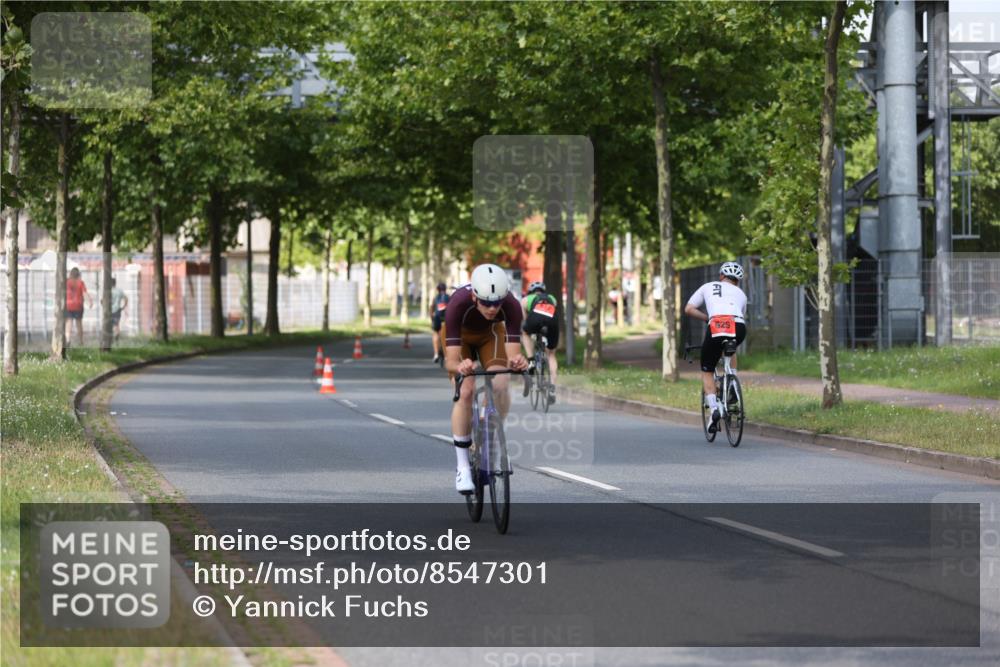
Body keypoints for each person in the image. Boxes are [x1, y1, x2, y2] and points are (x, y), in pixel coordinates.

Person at [442, 263, 528, 493]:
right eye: (486, 303)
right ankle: (462, 468)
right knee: (467, 390)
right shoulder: (457, 304)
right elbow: (449, 362)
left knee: (501, 381)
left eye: (497, 302)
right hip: (460, 339)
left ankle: (490, 437)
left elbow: (512, 356)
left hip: (490, 336)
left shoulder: (511, 306)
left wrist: (518, 362)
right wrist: (461, 366)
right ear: (474, 296)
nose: (492, 308)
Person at [683, 262, 747, 434]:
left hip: (717, 324)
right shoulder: (741, 293)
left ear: (720, 276)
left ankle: (714, 411)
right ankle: (732, 382)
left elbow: (689, 309)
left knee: (708, 370)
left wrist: (707, 318)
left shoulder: (707, 286)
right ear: (738, 281)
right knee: (731, 347)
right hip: (739, 325)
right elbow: (741, 315)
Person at [521, 281, 559, 404]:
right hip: (552, 321)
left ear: (531, 291)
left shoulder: (526, 299)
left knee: (525, 332)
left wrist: (531, 331)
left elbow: (525, 320)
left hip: (535, 319)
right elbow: (553, 312)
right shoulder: (552, 298)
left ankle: (531, 359)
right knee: (551, 354)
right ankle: (552, 386)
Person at [64, 267, 94, 346]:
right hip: (78, 305)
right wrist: (90, 301)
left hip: (68, 305)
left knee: (69, 323)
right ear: (78, 274)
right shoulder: (81, 282)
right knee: (79, 323)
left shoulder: (66, 282)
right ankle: (80, 341)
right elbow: (84, 293)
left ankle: (68, 339)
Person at [430, 282, 450, 364]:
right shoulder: (449, 297)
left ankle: (436, 354)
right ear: (445, 289)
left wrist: (432, 319)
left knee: (435, 333)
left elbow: (431, 309)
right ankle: (446, 356)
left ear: (438, 290)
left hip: (437, 318)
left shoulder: (435, 298)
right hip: (447, 318)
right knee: (448, 336)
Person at [109, 277, 128, 342]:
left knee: (110, 324)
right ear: (115, 283)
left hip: (109, 310)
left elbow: (102, 301)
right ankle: (117, 336)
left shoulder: (108, 290)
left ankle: (111, 337)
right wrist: (124, 306)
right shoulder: (119, 290)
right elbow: (126, 298)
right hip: (117, 310)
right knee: (116, 324)